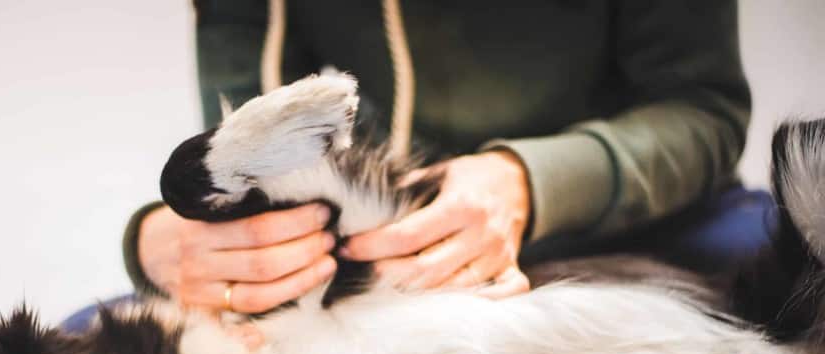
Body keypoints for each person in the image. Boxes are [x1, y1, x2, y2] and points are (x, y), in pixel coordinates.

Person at [122, 0, 750, 314]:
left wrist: (530, 183)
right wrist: (158, 243)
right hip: (376, 264)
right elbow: (247, 138)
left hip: (631, 228)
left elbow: (703, 111)